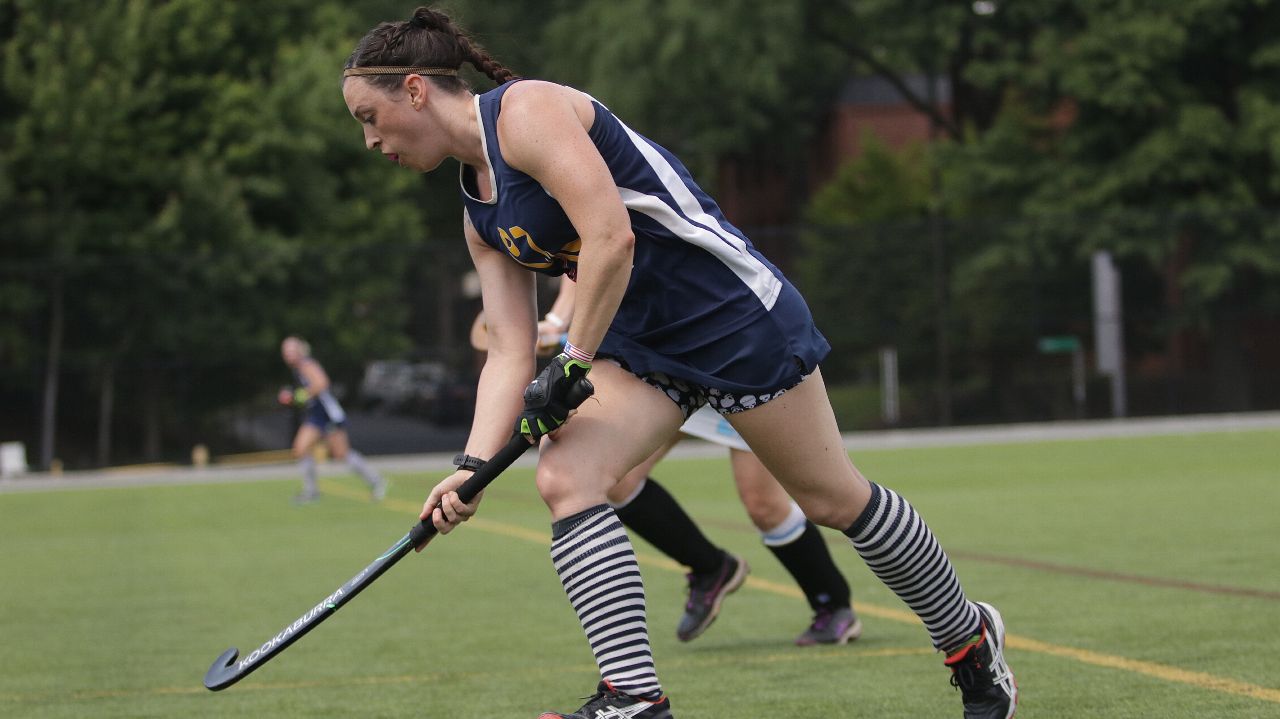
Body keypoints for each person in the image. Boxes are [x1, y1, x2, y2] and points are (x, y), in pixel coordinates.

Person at [341, 8, 1017, 719]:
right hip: (642, 347)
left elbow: (611, 236)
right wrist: (472, 467)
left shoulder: (526, 112)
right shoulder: (477, 208)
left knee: (832, 501)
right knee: (567, 476)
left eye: (369, 117)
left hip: (732, 317)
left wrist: (572, 361)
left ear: (415, 89)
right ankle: (634, 696)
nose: (370, 140)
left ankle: (969, 639)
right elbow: (508, 347)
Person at [477, 302, 862, 647]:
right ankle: (711, 568)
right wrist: (556, 322)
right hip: (667, 362)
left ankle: (832, 604)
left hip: (725, 353)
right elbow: (574, 284)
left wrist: (565, 333)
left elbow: (606, 266)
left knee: (765, 505)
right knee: (617, 481)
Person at [278, 336, 387, 504]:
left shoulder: (307, 364)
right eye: (286, 352)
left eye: (292, 351)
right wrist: (293, 396)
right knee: (301, 448)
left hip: (328, 415)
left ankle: (376, 481)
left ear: (300, 351)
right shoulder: (298, 369)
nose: (289, 355)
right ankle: (311, 492)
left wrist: (301, 395)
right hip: (315, 416)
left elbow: (322, 383)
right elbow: (305, 394)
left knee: (341, 453)